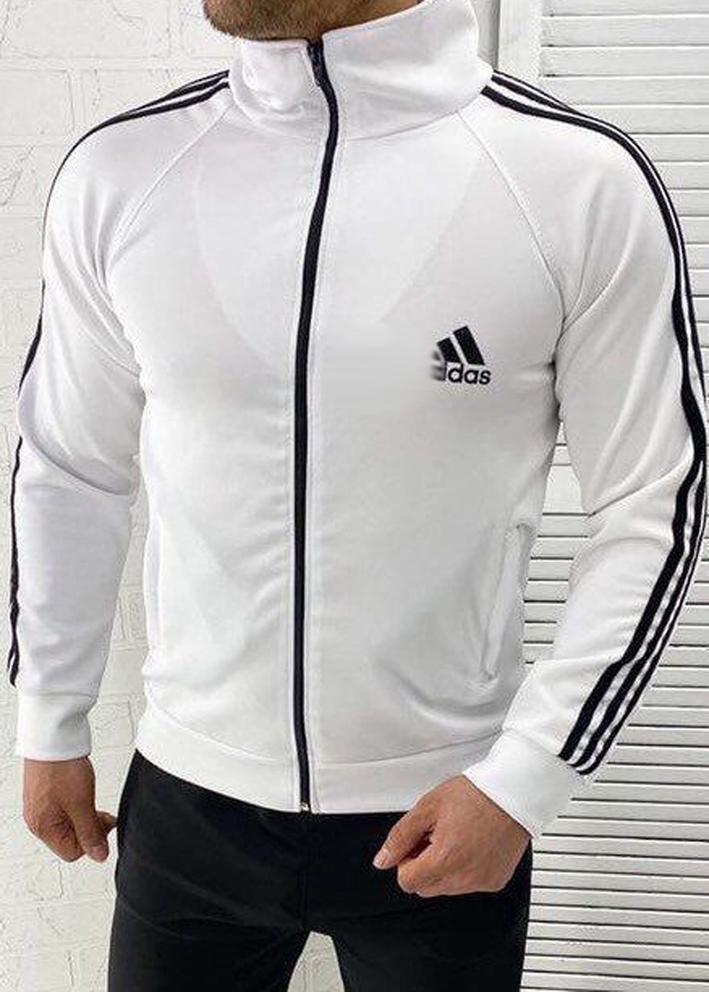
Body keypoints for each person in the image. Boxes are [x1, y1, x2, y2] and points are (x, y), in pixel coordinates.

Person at [9, 0, 706, 989]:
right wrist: (50, 718)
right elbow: (69, 465)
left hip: (448, 804)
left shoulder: (574, 179)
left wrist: (523, 780)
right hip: (187, 803)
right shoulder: (124, 169)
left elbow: (653, 502)